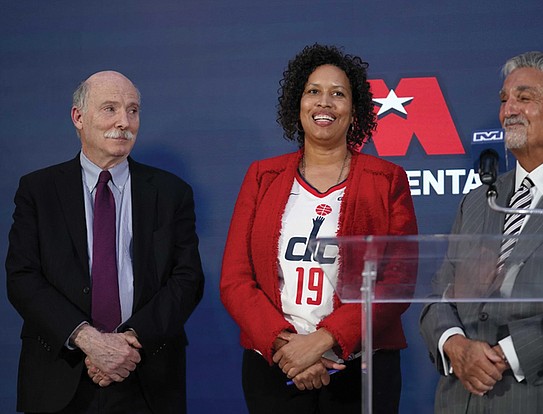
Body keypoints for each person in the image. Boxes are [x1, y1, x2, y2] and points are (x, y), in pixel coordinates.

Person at [220, 44, 417, 414]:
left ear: (354, 110)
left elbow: (396, 280)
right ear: (298, 103)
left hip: (361, 368)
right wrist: (288, 347)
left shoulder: (387, 180)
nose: (324, 103)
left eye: (338, 94)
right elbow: (235, 278)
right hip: (276, 366)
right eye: (313, 91)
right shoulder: (262, 176)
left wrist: (325, 340)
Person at [419, 51, 543, 413]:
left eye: (524, 99)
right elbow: (438, 294)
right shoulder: (479, 200)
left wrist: (504, 355)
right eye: (504, 100)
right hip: (462, 397)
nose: (508, 109)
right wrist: (455, 345)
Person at [6, 71, 204, 413]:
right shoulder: (38, 191)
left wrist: (126, 344)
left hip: (146, 373)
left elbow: (187, 279)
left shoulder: (171, 193)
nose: (124, 122)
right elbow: (22, 278)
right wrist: (89, 340)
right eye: (110, 109)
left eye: (133, 110)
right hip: (59, 375)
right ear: (78, 117)